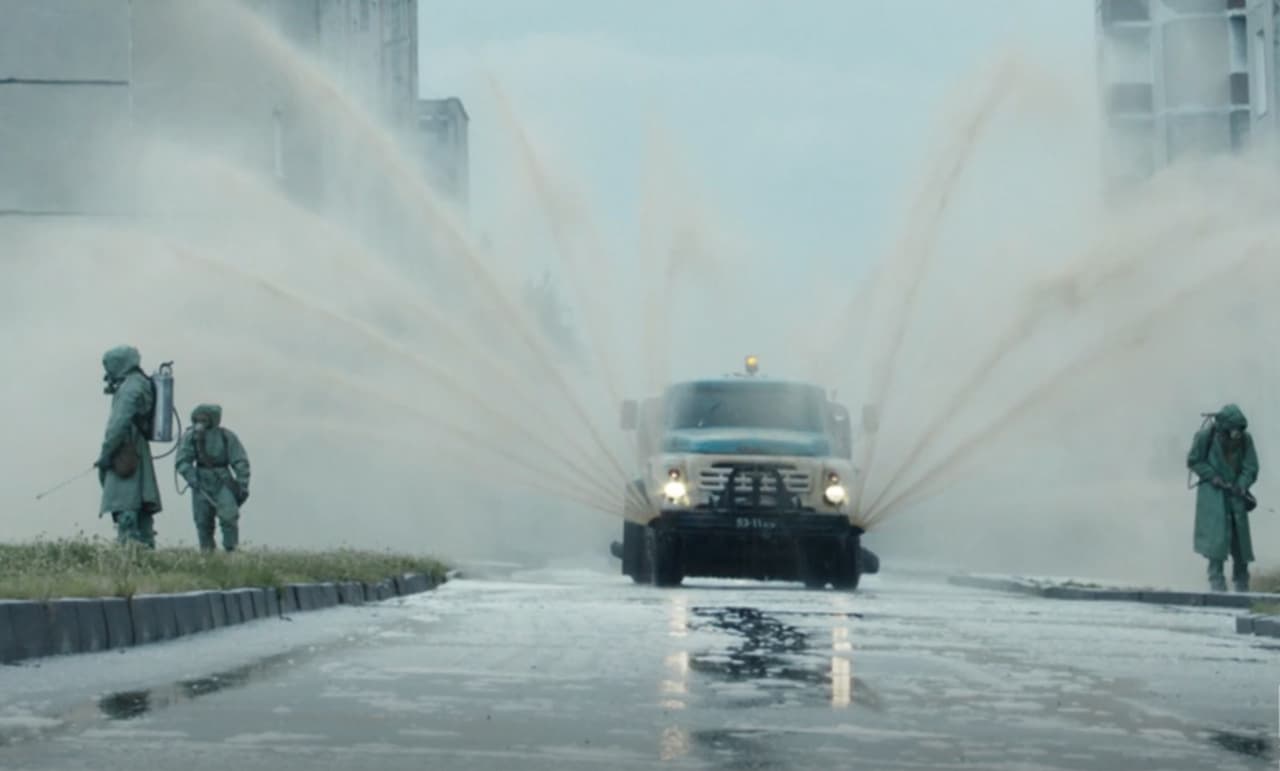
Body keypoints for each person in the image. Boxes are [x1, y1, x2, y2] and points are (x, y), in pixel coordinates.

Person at [1186, 404, 1259, 592]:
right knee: (1216, 540)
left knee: (1240, 541)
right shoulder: (1205, 437)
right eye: (1233, 429)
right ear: (1224, 428)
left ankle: (1242, 581)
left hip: (1236, 494)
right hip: (1213, 495)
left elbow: (1250, 465)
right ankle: (1216, 581)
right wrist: (1213, 476)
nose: (1237, 434)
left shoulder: (1245, 439)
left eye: (1240, 430)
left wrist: (1242, 485)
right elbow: (1194, 461)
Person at [95, 345, 162, 547]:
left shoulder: (130, 387)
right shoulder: (140, 382)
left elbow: (118, 424)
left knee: (126, 503)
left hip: (126, 449)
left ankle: (129, 550)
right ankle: (145, 546)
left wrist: (106, 453)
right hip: (137, 447)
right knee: (140, 504)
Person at [175, 404, 250, 552]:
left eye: (205, 418)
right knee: (203, 521)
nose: (201, 421)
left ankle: (231, 552)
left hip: (223, 480)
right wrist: (191, 476)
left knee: (229, 516)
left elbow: (240, 461)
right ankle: (207, 555)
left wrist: (242, 484)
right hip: (200, 481)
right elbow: (182, 460)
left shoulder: (227, 436)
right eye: (198, 418)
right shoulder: (190, 437)